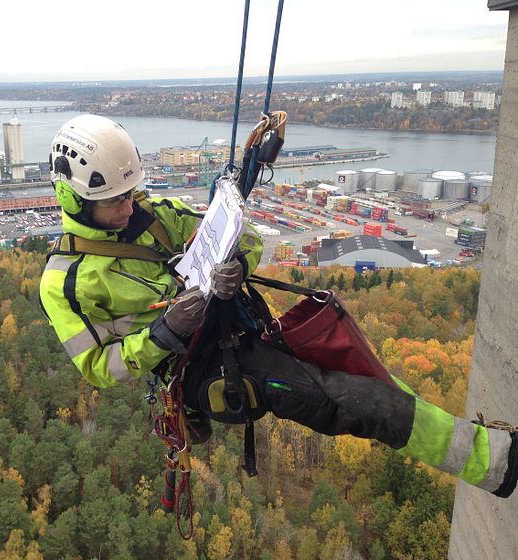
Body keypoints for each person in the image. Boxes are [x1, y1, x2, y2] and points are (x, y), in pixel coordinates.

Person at [39, 114, 517, 499]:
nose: (128, 208)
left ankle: (478, 445)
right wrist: (164, 332)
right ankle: (493, 463)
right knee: (350, 402)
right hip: (204, 367)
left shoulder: (157, 216)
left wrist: (238, 266)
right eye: (114, 203)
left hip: (243, 324)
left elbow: (240, 233)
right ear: (73, 199)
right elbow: (99, 368)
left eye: (129, 195)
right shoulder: (65, 281)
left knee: (359, 367)